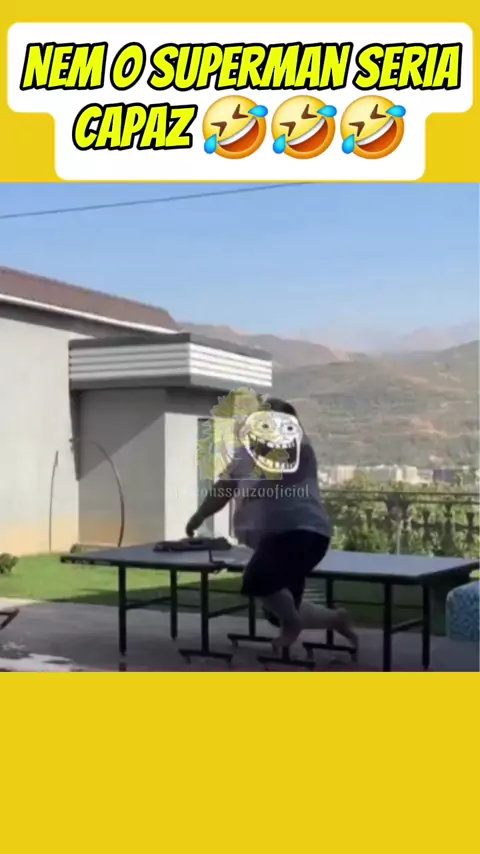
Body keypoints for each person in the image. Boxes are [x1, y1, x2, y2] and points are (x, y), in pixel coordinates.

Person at [186, 396, 358, 652]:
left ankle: (292, 625)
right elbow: (224, 488)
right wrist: (200, 515)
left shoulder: (299, 445)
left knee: (257, 579)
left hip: (304, 532)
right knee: (278, 609)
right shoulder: (244, 454)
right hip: (274, 538)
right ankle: (335, 619)